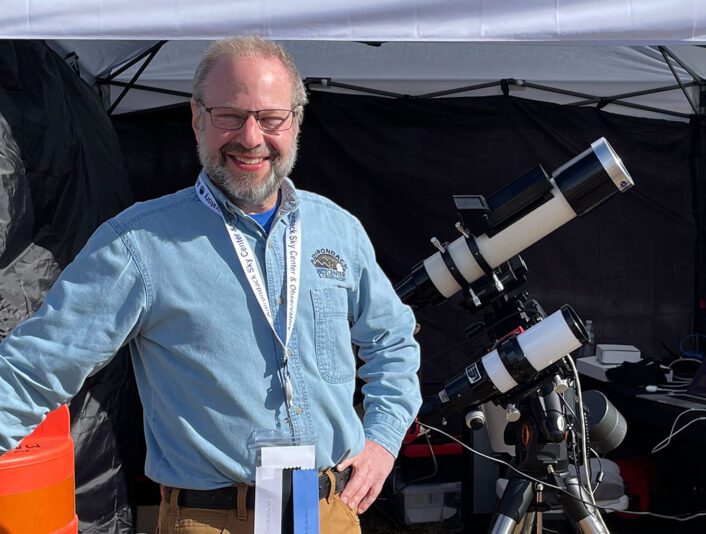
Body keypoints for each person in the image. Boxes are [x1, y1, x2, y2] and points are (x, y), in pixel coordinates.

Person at [0, 36, 421, 533]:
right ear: (197, 117)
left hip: (328, 513)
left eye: (270, 118)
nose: (250, 137)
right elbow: (33, 368)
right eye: (229, 116)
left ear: (296, 122)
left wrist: (383, 441)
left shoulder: (338, 231)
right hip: (212, 519)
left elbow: (392, 341)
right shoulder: (140, 244)